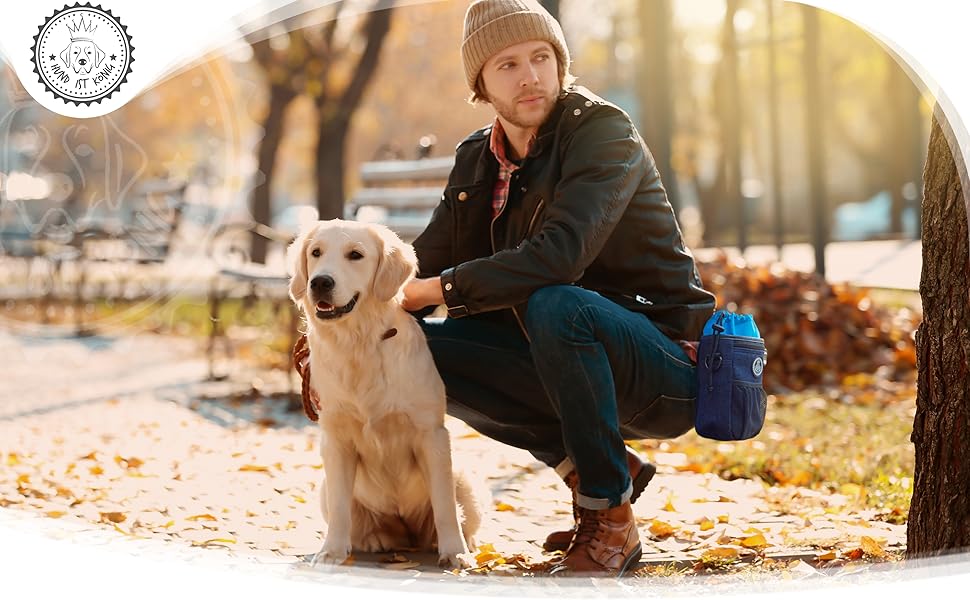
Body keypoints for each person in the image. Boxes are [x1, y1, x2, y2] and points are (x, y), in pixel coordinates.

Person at [400, 0, 716, 577]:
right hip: (559, 357)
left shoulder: (602, 132)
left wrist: (438, 290)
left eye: (542, 57)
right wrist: (347, 325)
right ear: (481, 85)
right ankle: (598, 470)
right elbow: (416, 263)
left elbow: (558, 256)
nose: (530, 76)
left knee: (557, 303)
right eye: (508, 65)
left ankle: (610, 522)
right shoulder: (477, 160)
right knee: (407, 349)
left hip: (662, 360)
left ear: (559, 62)